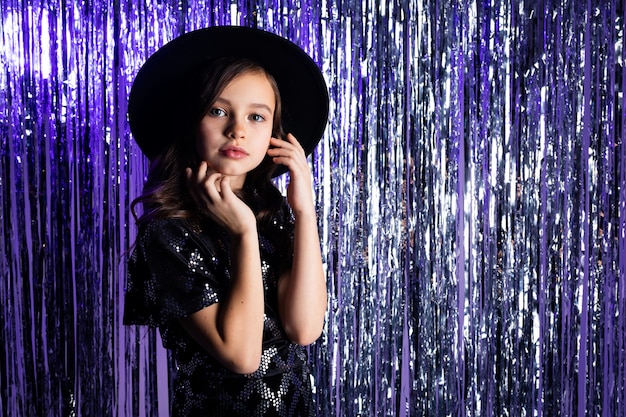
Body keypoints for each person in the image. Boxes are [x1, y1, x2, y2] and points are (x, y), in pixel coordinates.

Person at [123, 26, 329, 417]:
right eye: (218, 110)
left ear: (274, 134)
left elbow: (304, 328)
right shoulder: (168, 231)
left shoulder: (274, 213)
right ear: (190, 120)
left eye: (256, 116)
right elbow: (242, 355)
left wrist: (304, 212)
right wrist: (242, 232)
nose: (237, 129)